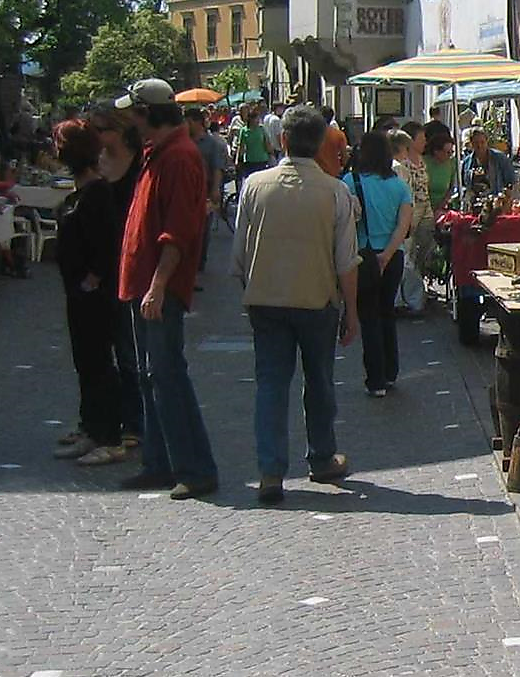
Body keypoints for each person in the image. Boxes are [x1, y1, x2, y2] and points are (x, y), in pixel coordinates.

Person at [234, 108, 361, 503]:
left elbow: (239, 254)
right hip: (316, 299)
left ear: (282, 140)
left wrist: (253, 286)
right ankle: (322, 457)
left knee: (270, 384)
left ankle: (271, 471)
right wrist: (351, 312)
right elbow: (346, 261)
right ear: (321, 143)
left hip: (267, 300)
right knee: (319, 380)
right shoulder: (335, 192)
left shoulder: (255, 186)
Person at [112, 78, 218, 499]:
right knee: (150, 376)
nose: (130, 122)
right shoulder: (160, 153)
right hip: (144, 285)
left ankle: (195, 468)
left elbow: (178, 232)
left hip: (158, 288)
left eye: (134, 114)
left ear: (148, 114)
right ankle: (160, 463)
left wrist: (157, 286)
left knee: (166, 375)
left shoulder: (179, 157)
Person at [48, 120, 133, 467]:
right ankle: (92, 427)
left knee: (99, 363)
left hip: (93, 293)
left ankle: (110, 436)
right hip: (78, 291)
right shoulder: (84, 190)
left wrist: (93, 280)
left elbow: (106, 245)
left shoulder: (97, 193)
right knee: (85, 361)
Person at [83, 108, 145, 454]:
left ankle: (135, 423)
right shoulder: (98, 164)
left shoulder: (139, 164)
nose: (96, 136)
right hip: (102, 263)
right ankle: (105, 418)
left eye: (101, 129)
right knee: (101, 346)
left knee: (128, 348)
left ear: (119, 131)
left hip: (128, 263)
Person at [346, 129, 415, 397]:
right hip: (392, 256)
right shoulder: (399, 185)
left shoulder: (350, 182)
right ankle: (390, 371)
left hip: (362, 255)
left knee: (369, 316)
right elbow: (404, 225)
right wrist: (388, 253)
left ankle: (375, 379)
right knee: (387, 312)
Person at [387, 127, 432, 313]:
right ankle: (413, 300)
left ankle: (399, 299)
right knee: (406, 261)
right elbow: (406, 198)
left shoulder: (392, 167)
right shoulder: (399, 169)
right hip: (403, 218)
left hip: (394, 218)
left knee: (403, 260)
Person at [185, 107, 229, 265]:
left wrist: (216, 189)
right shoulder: (184, 141)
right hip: (187, 189)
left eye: (188, 122)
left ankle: (198, 261)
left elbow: (217, 167)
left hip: (205, 189)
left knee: (203, 228)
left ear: (198, 122)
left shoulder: (212, 143)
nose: (186, 125)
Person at [460, 127, 516, 204]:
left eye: (482, 142)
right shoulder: (466, 163)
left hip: (496, 202)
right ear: (471, 143)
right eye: (476, 143)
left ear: (487, 142)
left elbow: (512, 182)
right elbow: (463, 186)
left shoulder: (500, 158)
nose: (479, 146)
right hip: (475, 203)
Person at [230, 102, 272, 199]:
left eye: (258, 118)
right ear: (251, 119)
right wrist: (238, 160)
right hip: (249, 161)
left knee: (262, 183)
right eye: (256, 118)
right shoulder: (244, 131)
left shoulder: (262, 129)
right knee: (250, 183)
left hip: (262, 160)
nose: (258, 120)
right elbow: (241, 147)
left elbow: (267, 144)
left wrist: (270, 154)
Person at [422, 121, 458, 212]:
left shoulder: (452, 163)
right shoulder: (423, 162)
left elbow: (452, 188)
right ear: (436, 152)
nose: (450, 155)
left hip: (443, 208)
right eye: (447, 152)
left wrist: (440, 208)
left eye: (452, 152)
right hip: (424, 208)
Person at [315, 106, 350, 179]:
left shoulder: (313, 133)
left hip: (316, 172)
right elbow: (344, 159)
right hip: (333, 173)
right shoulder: (339, 134)